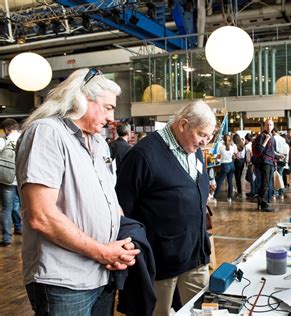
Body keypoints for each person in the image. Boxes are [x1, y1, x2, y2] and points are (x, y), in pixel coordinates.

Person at [16, 68, 140, 315]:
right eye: (107, 107)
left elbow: (109, 200)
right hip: (64, 281)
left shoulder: (99, 143)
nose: (112, 116)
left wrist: (121, 245)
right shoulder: (47, 132)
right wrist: (103, 251)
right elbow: (41, 216)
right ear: (80, 99)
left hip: (103, 273)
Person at [115, 100, 216, 315]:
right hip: (162, 260)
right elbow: (122, 208)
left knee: (199, 310)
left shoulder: (194, 149)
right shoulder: (143, 155)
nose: (206, 141)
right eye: (202, 134)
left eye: (209, 136)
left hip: (195, 253)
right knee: (158, 311)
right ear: (182, 124)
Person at [0, 118, 22, 247]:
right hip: (23, 179)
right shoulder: (25, 137)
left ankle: (7, 239)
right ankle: (22, 229)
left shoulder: (3, 141)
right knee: (25, 207)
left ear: (7, 129)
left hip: (7, 180)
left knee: (6, 209)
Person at [253, 119, 276, 211]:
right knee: (264, 183)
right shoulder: (261, 136)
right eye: (267, 125)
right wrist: (266, 139)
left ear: (273, 126)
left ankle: (262, 203)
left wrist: (277, 157)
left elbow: (272, 151)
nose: (269, 126)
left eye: (270, 125)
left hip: (270, 162)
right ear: (264, 126)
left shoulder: (272, 137)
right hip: (264, 162)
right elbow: (259, 150)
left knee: (267, 183)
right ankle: (263, 204)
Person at [214, 134, 237, 203]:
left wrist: (217, 157)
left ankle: (215, 197)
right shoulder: (232, 147)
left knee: (220, 182)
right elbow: (235, 156)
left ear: (223, 140)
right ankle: (229, 198)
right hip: (231, 165)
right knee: (230, 182)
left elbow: (218, 157)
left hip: (224, 165)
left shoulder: (221, 147)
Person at [271, 128, 288, 199]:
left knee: (273, 176)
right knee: (280, 175)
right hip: (281, 159)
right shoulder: (283, 139)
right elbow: (285, 150)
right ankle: (281, 194)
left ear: (273, 132)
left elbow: (273, 150)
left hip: (274, 158)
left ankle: (274, 193)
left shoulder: (272, 138)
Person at [232, 133, 245, 199]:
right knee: (239, 178)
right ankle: (238, 191)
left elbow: (235, 155)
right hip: (242, 162)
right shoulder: (242, 144)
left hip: (237, 162)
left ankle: (239, 193)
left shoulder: (234, 145)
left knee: (237, 179)